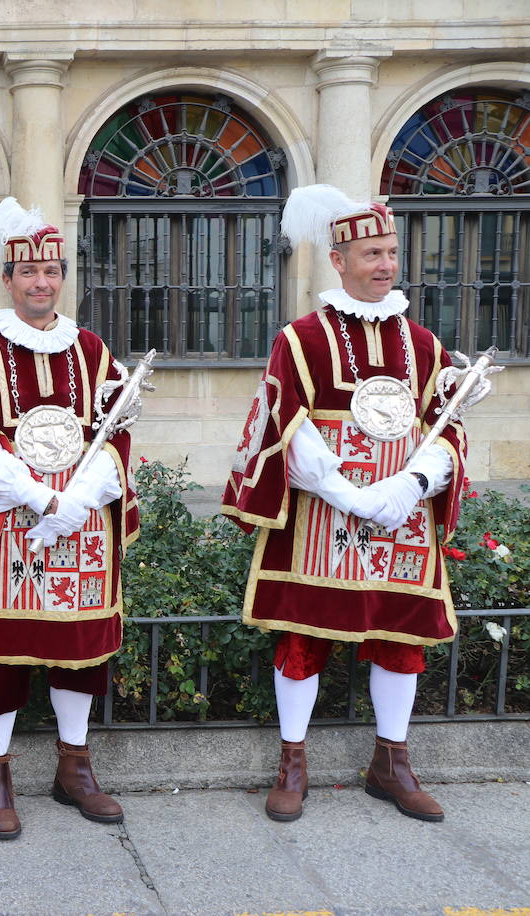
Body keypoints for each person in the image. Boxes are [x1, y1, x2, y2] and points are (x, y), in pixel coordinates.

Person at [222, 184, 468, 823]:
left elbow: (448, 427)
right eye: (371, 255)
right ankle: (292, 762)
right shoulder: (301, 338)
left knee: (401, 639)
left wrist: (409, 487)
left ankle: (392, 762)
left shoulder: (423, 341)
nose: (385, 265)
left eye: (391, 252)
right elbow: (282, 425)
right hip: (325, 517)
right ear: (338, 260)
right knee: (303, 638)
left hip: (401, 520)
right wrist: (349, 494)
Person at [0, 198, 139, 840]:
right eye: (28, 273)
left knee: (79, 650)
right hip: (13, 521)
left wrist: (77, 502)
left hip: (83, 521)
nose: (42, 283)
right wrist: (43, 501)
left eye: (52, 272)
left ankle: (75, 767)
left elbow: (115, 436)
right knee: (4, 653)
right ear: (6, 279)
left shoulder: (93, 351)